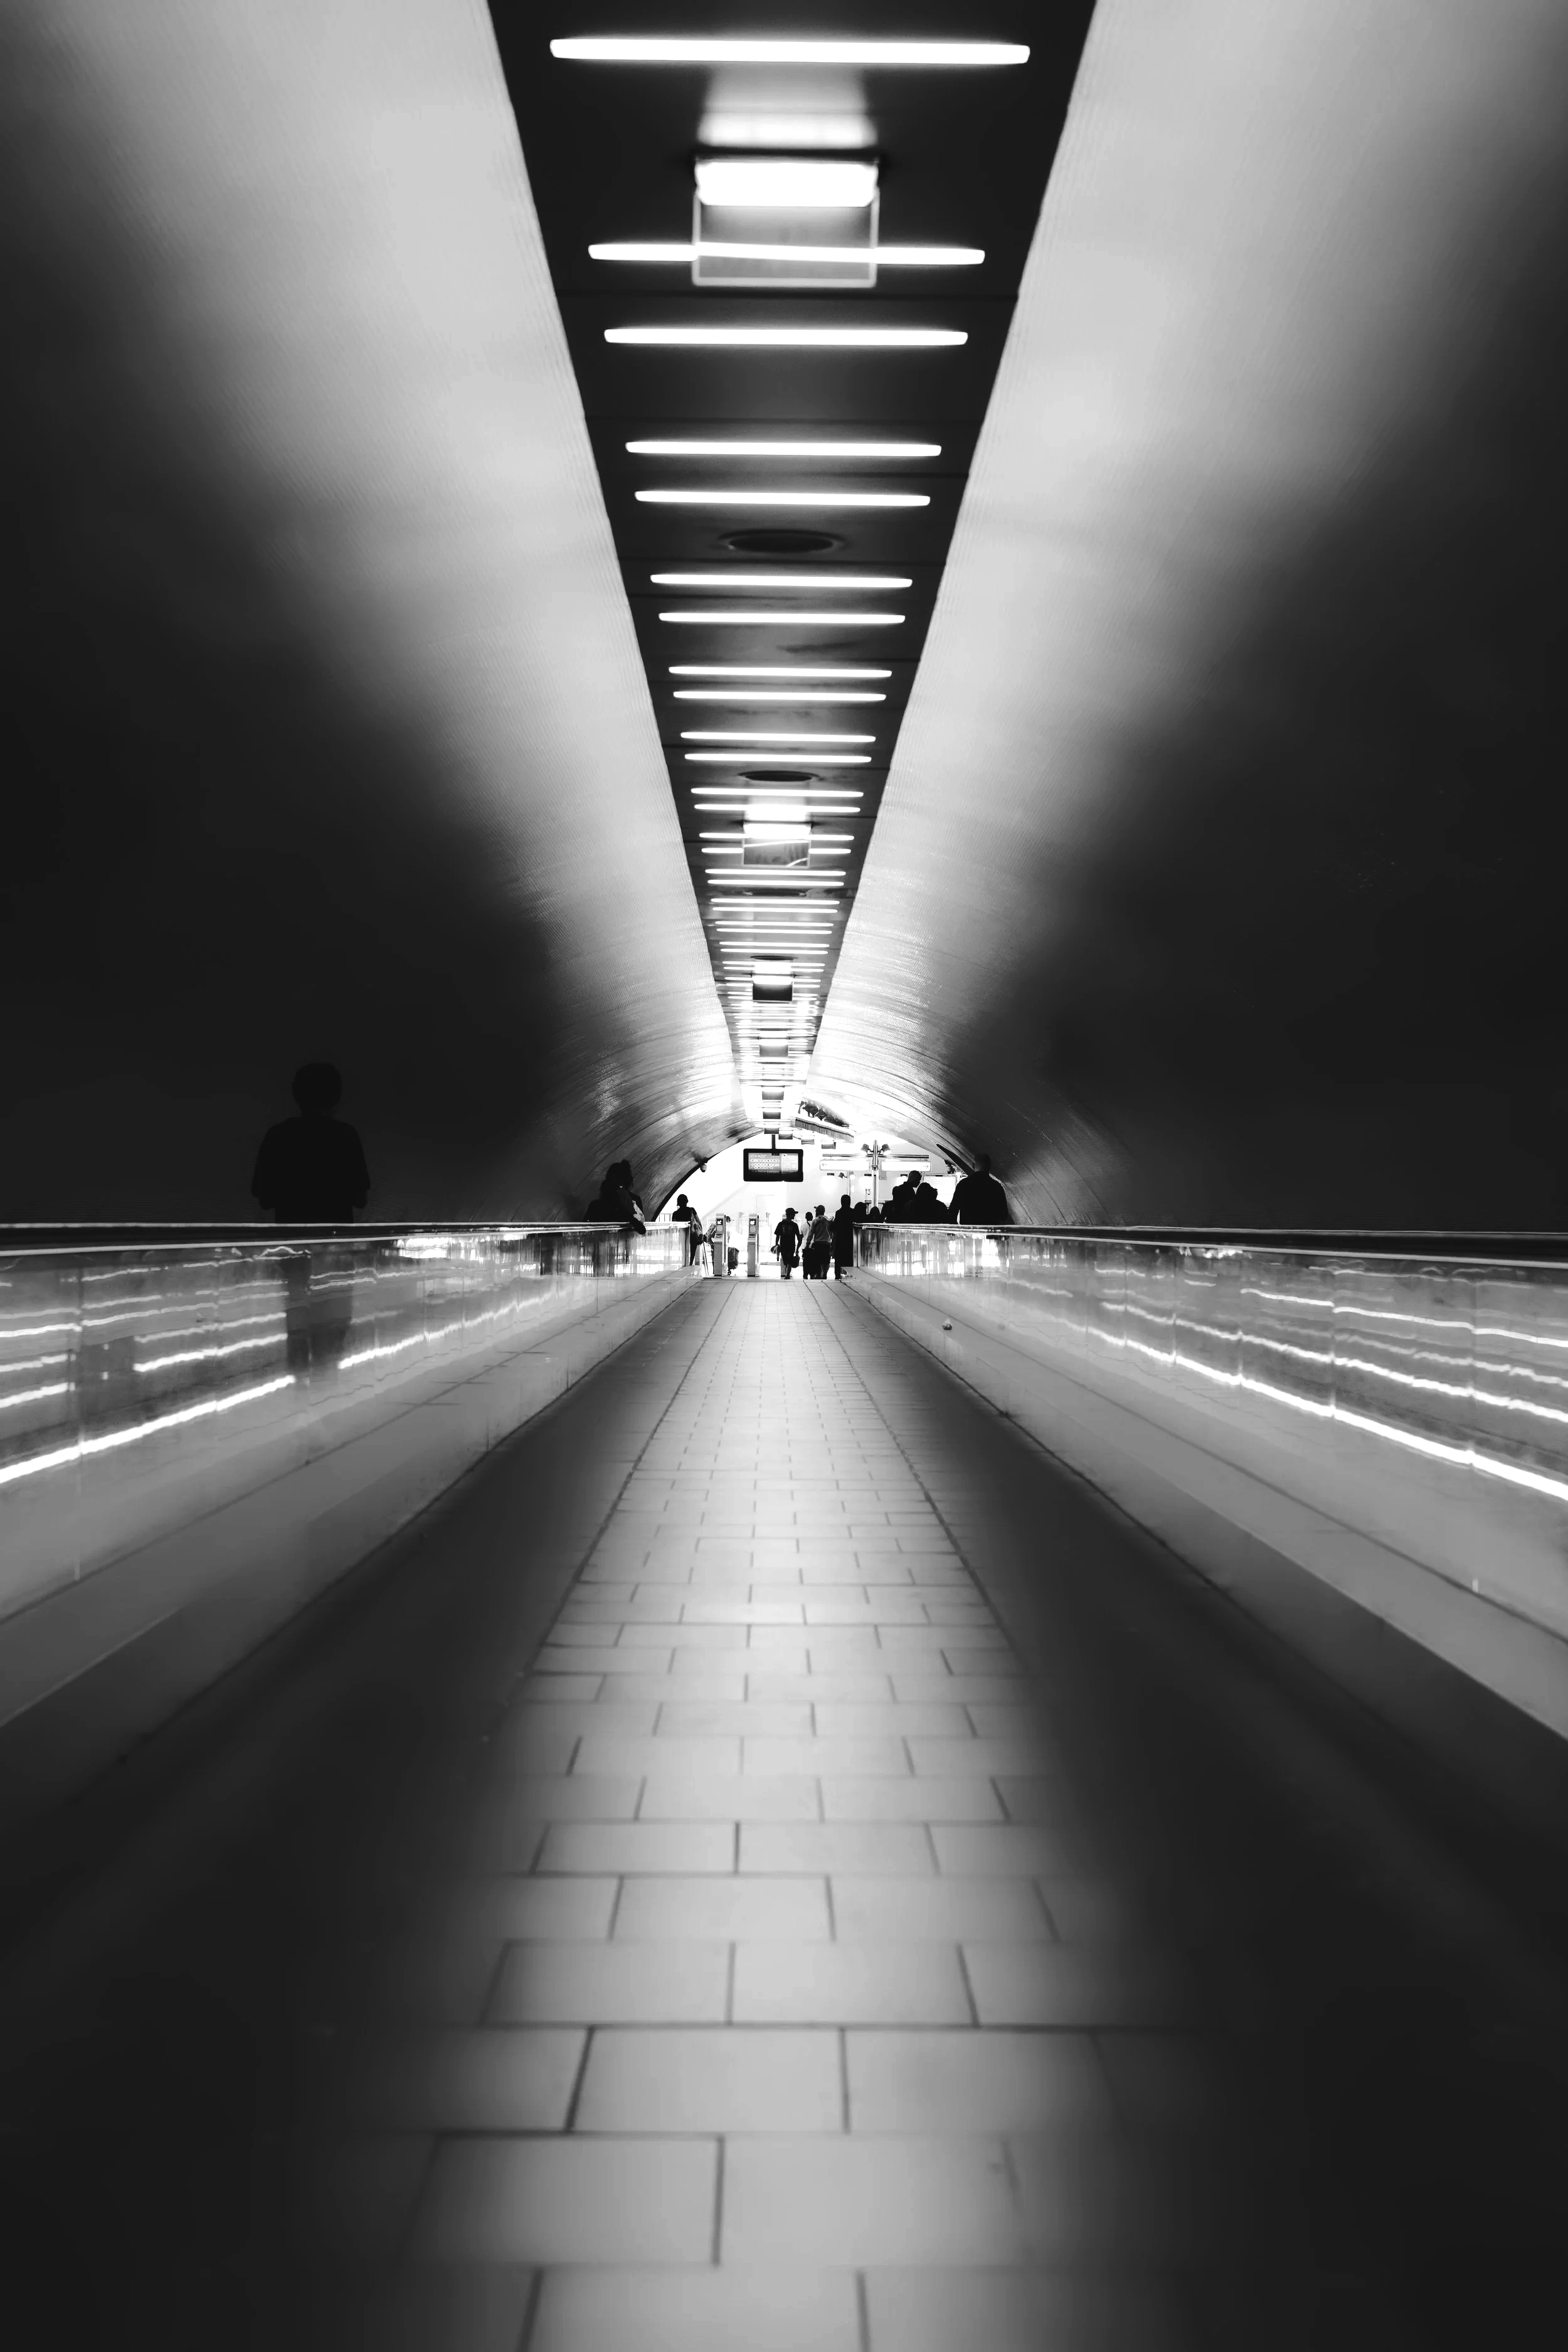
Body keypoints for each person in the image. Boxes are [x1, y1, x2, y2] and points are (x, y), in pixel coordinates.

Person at [251, 1063, 370, 1224]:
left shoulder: (278, 1135)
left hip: (292, 1239)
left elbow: (265, 1200)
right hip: (335, 1238)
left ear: (296, 1093)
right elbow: (360, 1200)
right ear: (336, 1096)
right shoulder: (346, 1135)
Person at [949, 1153, 1011, 1226]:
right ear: (989, 1166)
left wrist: (956, 1229)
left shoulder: (963, 1184)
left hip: (969, 1232)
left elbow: (953, 1211)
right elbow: (1003, 1215)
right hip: (990, 1232)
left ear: (973, 1165)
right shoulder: (996, 1186)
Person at [802, 1204, 832, 1280]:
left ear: (817, 1212)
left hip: (818, 1244)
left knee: (818, 1261)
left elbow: (811, 1234)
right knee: (826, 1261)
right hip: (827, 1244)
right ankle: (824, 1273)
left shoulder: (815, 1222)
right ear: (824, 1212)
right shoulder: (829, 1221)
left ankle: (818, 1274)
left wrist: (807, 1244)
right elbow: (831, 1233)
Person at [670, 1192, 702, 1261]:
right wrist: (700, 1232)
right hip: (693, 1235)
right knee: (692, 1254)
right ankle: (690, 1264)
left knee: (684, 1253)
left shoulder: (675, 1214)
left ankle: (685, 1264)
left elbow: (674, 1227)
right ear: (687, 1201)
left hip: (682, 1236)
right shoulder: (692, 1210)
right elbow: (698, 1222)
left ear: (678, 1202)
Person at [831, 1194, 856, 1279]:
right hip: (851, 1240)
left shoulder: (839, 1213)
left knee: (839, 1261)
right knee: (849, 1259)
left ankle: (838, 1276)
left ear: (841, 1202)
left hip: (840, 1241)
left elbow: (836, 1227)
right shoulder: (853, 1212)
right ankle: (849, 1276)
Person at [773, 1205, 801, 1278]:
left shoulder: (781, 1224)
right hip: (790, 1246)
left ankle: (788, 1275)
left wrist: (777, 1244)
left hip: (785, 1246)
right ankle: (787, 1273)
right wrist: (798, 1247)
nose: (794, 1215)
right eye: (793, 1214)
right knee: (786, 1261)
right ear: (789, 1214)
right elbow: (799, 1238)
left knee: (788, 1261)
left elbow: (777, 1235)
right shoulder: (794, 1225)